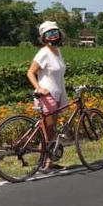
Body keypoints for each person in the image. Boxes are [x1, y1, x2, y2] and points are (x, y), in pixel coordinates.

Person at [26, 20, 67, 171]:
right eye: (49, 33)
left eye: (55, 32)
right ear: (43, 37)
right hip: (47, 95)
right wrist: (39, 88)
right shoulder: (44, 52)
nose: (53, 36)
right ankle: (43, 161)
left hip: (56, 94)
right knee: (47, 130)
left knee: (51, 130)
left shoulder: (57, 51)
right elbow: (30, 72)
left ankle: (49, 162)